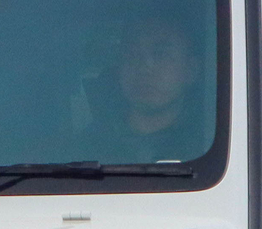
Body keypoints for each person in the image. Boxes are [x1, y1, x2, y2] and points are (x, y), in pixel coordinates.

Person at [85, 12, 209, 163]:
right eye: (132, 54)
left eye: (161, 54)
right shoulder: (82, 150)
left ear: (191, 70)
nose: (144, 67)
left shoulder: (207, 149)